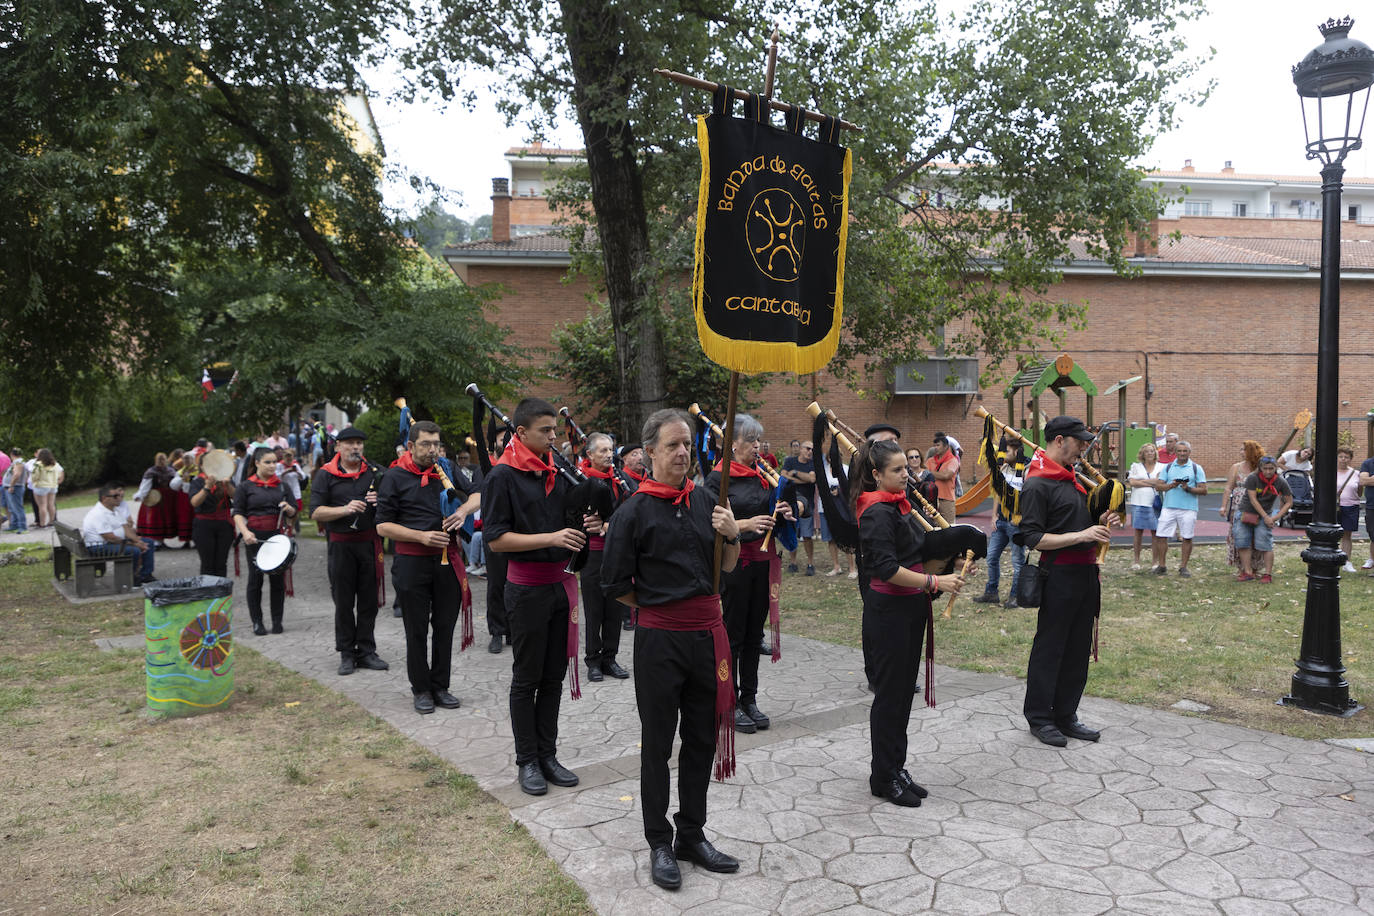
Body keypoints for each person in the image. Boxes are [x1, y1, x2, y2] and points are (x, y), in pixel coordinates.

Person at [601, 408, 743, 892]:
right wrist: (663, 610)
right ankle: (659, 842)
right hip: (660, 641)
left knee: (702, 739)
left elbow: (727, 567)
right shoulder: (632, 512)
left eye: (687, 444)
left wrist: (733, 536)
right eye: (673, 445)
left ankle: (692, 834)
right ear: (650, 453)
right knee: (658, 744)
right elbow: (616, 583)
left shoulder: (708, 501)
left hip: (708, 638)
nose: (683, 452)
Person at [851, 438, 980, 804]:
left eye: (906, 468)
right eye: (896, 470)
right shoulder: (875, 511)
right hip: (888, 611)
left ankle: (895, 767)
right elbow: (887, 568)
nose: (905, 475)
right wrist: (934, 581)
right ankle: (883, 776)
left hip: (909, 609)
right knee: (890, 696)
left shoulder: (899, 506)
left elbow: (915, 552)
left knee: (903, 693)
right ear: (876, 475)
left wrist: (951, 559)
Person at [485, 398, 593, 796]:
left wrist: (588, 522)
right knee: (526, 677)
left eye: (553, 430)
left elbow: (569, 520)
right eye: (546, 431)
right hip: (526, 587)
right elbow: (495, 540)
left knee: (553, 677)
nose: (553, 436)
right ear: (521, 433)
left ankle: (548, 754)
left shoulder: (557, 471)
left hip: (560, 585)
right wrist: (551, 538)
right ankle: (526, 760)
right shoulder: (502, 476)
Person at [1017, 416, 1120, 747]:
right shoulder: (1037, 482)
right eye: (1080, 442)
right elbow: (1032, 538)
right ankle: (1040, 717)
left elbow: (1076, 521)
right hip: (1058, 574)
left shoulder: (1071, 479)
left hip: (1086, 573)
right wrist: (1082, 534)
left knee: (1078, 649)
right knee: (1051, 648)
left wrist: (1100, 520)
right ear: (1059, 440)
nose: (1084, 448)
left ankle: (1065, 714)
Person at [704, 414, 795, 736]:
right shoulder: (718, 479)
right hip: (734, 564)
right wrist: (745, 525)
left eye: (759, 440)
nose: (758, 446)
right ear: (730, 445)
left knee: (754, 635)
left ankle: (749, 699)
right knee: (733, 636)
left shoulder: (760, 475)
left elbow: (773, 509)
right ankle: (727, 702)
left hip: (762, 562)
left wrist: (782, 512)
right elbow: (710, 523)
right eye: (751, 441)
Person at [377, 420, 477, 713]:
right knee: (416, 628)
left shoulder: (445, 467)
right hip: (411, 562)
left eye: (436, 444)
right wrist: (420, 535)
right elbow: (383, 525)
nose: (433, 450)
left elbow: (478, 494)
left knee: (445, 626)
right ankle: (421, 689)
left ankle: (441, 686)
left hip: (448, 560)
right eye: (426, 444)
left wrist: (462, 511)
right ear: (410, 446)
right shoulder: (394, 476)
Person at [311, 427, 390, 677]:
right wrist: (344, 510)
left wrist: (382, 501)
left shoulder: (375, 472)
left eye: (359, 443)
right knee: (344, 601)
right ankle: (346, 652)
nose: (355, 448)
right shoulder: (326, 475)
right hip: (341, 544)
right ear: (338, 447)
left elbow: (393, 502)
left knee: (368, 600)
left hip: (369, 544)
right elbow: (315, 512)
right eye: (349, 444)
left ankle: (366, 650)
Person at [578, 432, 635, 683]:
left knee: (615, 606)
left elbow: (632, 511)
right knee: (594, 608)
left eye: (610, 450)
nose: (609, 455)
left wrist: (609, 526)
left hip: (616, 552)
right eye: (602, 451)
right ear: (589, 454)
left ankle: (610, 658)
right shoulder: (579, 480)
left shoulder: (621, 479)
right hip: (591, 553)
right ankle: (593, 660)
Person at [232, 446, 297, 635]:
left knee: (277, 581)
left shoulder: (282, 486)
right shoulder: (245, 486)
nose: (272, 466)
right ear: (257, 463)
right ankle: (257, 622)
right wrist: (245, 532)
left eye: (274, 462)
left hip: (276, 538)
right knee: (255, 580)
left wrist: (289, 508)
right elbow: (237, 513)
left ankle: (277, 621)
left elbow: (294, 511)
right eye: (267, 462)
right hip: (254, 538)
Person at [973, 436, 1026, 607]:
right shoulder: (1003, 467)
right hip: (1001, 522)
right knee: (991, 557)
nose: (1002, 454)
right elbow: (998, 493)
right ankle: (991, 592)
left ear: (1016, 452)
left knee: (1017, 562)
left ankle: (1015, 596)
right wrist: (994, 515)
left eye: (1006, 451)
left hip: (1016, 523)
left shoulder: (1027, 468)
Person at [81, 484, 157, 584]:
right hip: (99, 547)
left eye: (119, 495)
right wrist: (134, 544)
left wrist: (139, 542)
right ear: (104, 498)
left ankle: (145, 575)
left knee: (149, 542)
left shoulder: (114, 509)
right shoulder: (98, 513)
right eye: (115, 496)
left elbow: (126, 529)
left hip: (112, 543)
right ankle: (131, 579)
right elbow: (110, 537)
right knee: (133, 550)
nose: (119, 498)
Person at [1154, 440, 1206, 578]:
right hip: (1169, 506)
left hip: (1188, 508)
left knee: (1187, 537)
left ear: (1189, 452)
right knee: (1161, 536)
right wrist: (1172, 485)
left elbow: (1204, 490)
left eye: (1185, 451)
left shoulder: (1196, 468)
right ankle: (1162, 565)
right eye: (1179, 451)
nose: (1182, 453)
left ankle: (1183, 567)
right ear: (1175, 452)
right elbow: (1158, 486)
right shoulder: (1168, 467)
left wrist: (1188, 488)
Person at [1236, 456, 1292, 583]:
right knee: (1242, 540)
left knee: (1265, 543)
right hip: (1247, 511)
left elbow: (1289, 502)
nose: (1268, 472)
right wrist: (1267, 517)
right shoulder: (1252, 478)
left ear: (1275, 468)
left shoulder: (1280, 482)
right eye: (1265, 468)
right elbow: (1253, 499)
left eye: (1271, 469)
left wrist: (1275, 517)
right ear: (1260, 468)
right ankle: (1248, 571)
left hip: (1265, 514)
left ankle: (1267, 574)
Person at [1219, 440, 1264, 572]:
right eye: (1240, 450)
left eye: (1243, 450)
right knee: (1240, 534)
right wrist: (1223, 506)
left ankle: (1254, 566)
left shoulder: (1260, 468)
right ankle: (1243, 567)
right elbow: (1228, 487)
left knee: (1255, 535)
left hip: (1256, 505)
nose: (1241, 452)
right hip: (1239, 506)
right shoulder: (1236, 467)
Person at [187, 456, 235, 577]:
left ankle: (221, 594)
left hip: (224, 524)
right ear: (202, 466)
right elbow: (194, 502)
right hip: (204, 525)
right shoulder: (197, 481)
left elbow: (237, 497)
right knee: (207, 564)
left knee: (221, 563)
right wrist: (207, 487)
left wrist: (228, 485)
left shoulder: (226, 479)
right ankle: (208, 593)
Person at [1126, 442, 1164, 570]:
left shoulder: (1162, 466)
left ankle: (1155, 562)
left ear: (1155, 453)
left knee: (1155, 532)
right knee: (1138, 532)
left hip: (1154, 503)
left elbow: (1160, 482)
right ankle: (1136, 560)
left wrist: (1141, 481)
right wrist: (1151, 483)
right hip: (1138, 502)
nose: (1149, 453)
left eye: (1152, 451)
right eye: (1146, 451)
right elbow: (1132, 482)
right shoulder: (1135, 466)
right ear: (1142, 453)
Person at [781, 440, 817, 575]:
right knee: (792, 534)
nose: (810, 452)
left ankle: (810, 564)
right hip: (791, 504)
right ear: (801, 449)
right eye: (807, 449)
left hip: (807, 506)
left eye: (812, 450)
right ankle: (793, 563)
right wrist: (802, 479)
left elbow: (812, 479)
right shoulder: (790, 461)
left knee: (807, 536)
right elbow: (783, 476)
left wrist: (795, 473)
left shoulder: (813, 463)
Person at [133, 453, 178, 544]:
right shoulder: (151, 472)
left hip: (168, 499)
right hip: (154, 499)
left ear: (166, 460)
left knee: (166, 519)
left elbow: (176, 484)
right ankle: (157, 542)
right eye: (159, 460)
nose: (161, 461)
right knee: (155, 519)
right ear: (156, 461)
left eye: (163, 459)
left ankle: (162, 541)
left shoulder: (171, 471)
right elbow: (145, 485)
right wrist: (140, 495)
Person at [1335, 447, 1361, 573]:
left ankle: (1346, 561)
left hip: (1351, 506)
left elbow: (1360, 490)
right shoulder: (1331, 472)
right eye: (1341, 457)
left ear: (1350, 459)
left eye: (1346, 457)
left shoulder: (1355, 473)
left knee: (1347, 535)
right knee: (1332, 534)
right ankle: (1333, 559)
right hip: (1335, 506)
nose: (1343, 460)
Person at [30, 448, 62, 529]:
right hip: (53, 485)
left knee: (42, 505)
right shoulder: (55, 464)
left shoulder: (38, 464)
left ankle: (42, 524)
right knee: (51, 504)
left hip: (41, 485)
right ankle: (52, 522)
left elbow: (35, 476)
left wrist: (34, 481)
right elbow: (59, 474)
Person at [4, 449, 28, 532]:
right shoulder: (17, 462)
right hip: (12, 486)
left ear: (11, 454)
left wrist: (11, 485)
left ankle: (22, 526)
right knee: (12, 507)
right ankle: (14, 525)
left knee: (17, 507)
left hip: (15, 487)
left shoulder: (19, 463)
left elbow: (17, 474)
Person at [1361, 451, 1374, 574]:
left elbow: (1368, 480)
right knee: (1372, 534)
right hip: (1371, 505)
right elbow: (1363, 481)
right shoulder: (1368, 463)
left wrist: (1371, 479)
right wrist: (1369, 479)